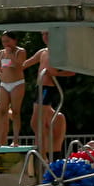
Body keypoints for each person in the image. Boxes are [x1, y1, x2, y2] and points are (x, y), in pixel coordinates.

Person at [24, 32, 75, 160]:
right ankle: (45, 149)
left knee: (36, 122)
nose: (45, 37)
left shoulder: (58, 52)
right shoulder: (43, 52)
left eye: (48, 34)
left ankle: (43, 154)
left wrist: (55, 73)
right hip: (39, 88)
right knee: (39, 121)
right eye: (43, 35)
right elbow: (25, 64)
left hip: (47, 87)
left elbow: (72, 71)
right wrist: (7, 65)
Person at [0, 31, 27, 146]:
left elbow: (20, 66)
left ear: (14, 40)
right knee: (2, 111)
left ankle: (15, 140)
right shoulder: (1, 53)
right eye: (3, 42)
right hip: (4, 84)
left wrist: (10, 55)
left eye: (8, 41)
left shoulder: (20, 51)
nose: (6, 44)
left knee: (15, 112)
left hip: (17, 83)